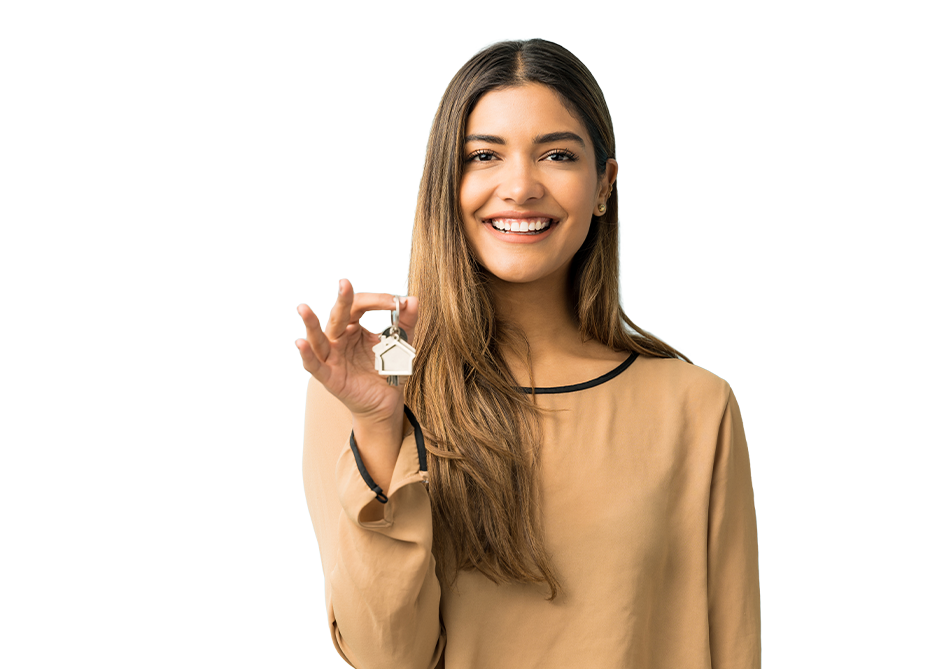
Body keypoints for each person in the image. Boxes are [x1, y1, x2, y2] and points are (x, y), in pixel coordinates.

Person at [295, 38, 761, 669]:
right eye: (483, 155)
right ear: (445, 184)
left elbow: (732, 648)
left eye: (557, 155)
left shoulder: (696, 408)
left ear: (604, 185)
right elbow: (385, 657)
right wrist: (380, 428)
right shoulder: (364, 390)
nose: (520, 187)